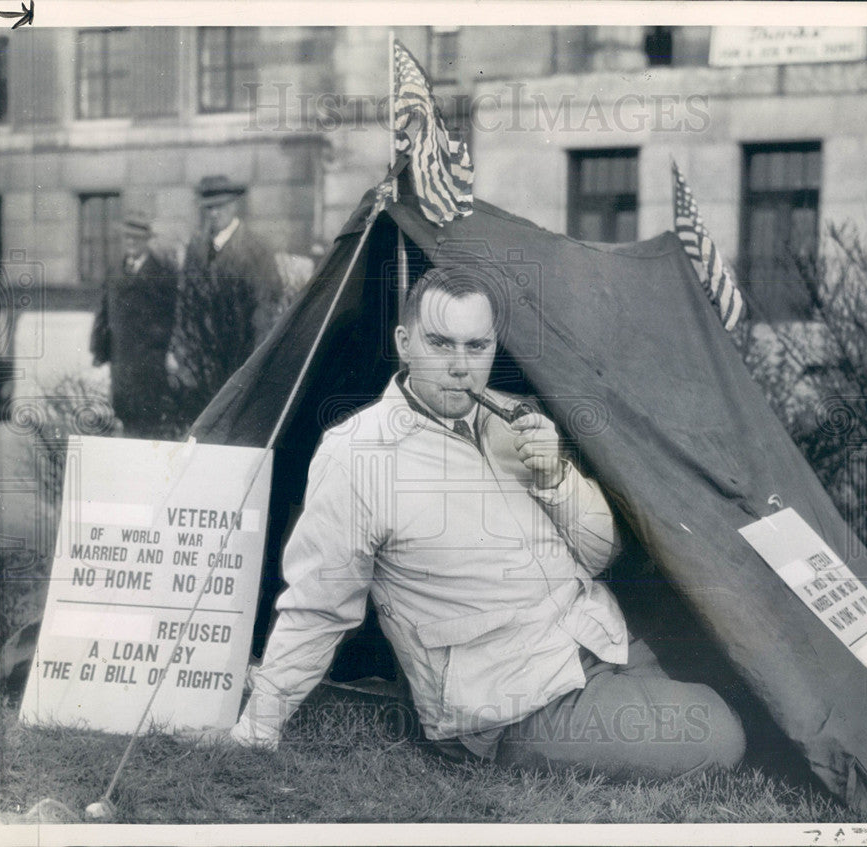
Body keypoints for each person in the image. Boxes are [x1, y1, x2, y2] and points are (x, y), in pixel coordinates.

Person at [215, 267, 746, 779]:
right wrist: (258, 728)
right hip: (507, 705)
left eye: (477, 346)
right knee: (720, 734)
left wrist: (555, 477)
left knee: (749, 683)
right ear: (404, 342)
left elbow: (602, 554)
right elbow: (318, 606)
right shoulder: (356, 455)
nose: (460, 366)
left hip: (594, 642)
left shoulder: (511, 417)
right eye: (440, 343)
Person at [168, 175, 283, 426]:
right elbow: (185, 305)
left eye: (219, 206)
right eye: (208, 208)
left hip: (240, 363)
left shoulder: (256, 249)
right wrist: (183, 357)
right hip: (200, 370)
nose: (213, 214)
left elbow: (266, 311)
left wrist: (254, 367)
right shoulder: (196, 248)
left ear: (233, 206)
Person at [89, 211, 178, 438]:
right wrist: (98, 349)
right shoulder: (115, 271)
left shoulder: (161, 274)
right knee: (124, 419)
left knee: (148, 426)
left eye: (136, 239)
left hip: (149, 365)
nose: (130, 243)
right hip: (120, 361)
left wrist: (166, 352)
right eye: (127, 238)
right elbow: (103, 312)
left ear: (147, 241)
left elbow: (171, 317)